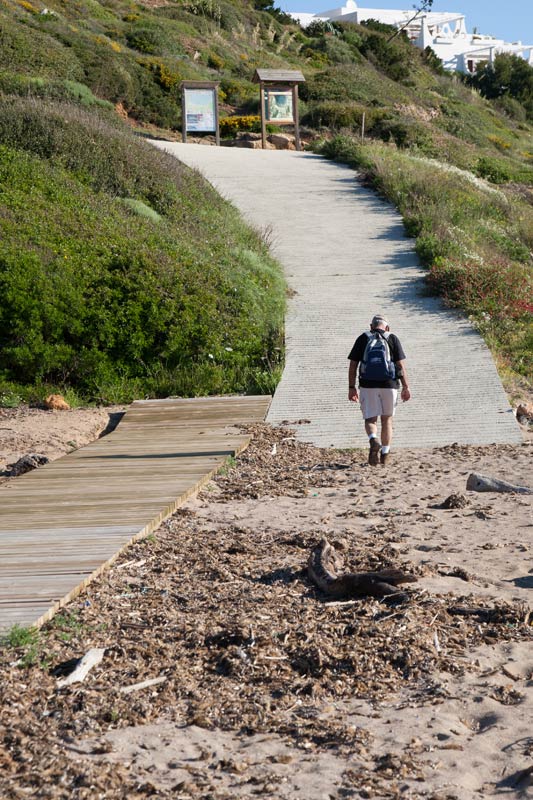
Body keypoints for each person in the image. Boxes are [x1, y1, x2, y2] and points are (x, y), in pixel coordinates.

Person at [347, 315, 410, 466]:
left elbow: (353, 365)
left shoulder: (363, 338)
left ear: (371, 326)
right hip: (389, 385)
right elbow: (400, 366)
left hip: (368, 385)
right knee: (387, 419)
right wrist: (406, 387)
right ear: (387, 328)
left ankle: (373, 439)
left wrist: (351, 388)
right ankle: (385, 454)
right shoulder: (392, 338)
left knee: (370, 419)